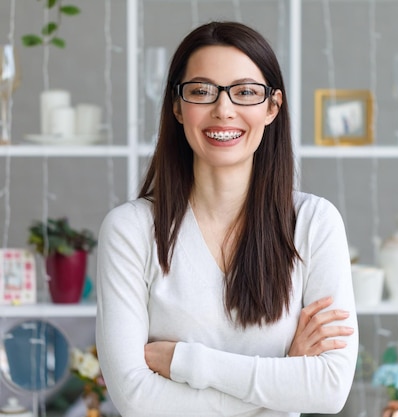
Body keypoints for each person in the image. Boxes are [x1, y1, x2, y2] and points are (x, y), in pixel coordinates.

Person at [95, 21, 358, 417]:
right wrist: (284, 375)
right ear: (177, 106)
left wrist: (185, 363)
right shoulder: (130, 230)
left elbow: (330, 389)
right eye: (201, 91)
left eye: (246, 92)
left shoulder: (314, 223)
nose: (223, 109)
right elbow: (135, 400)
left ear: (273, 107)